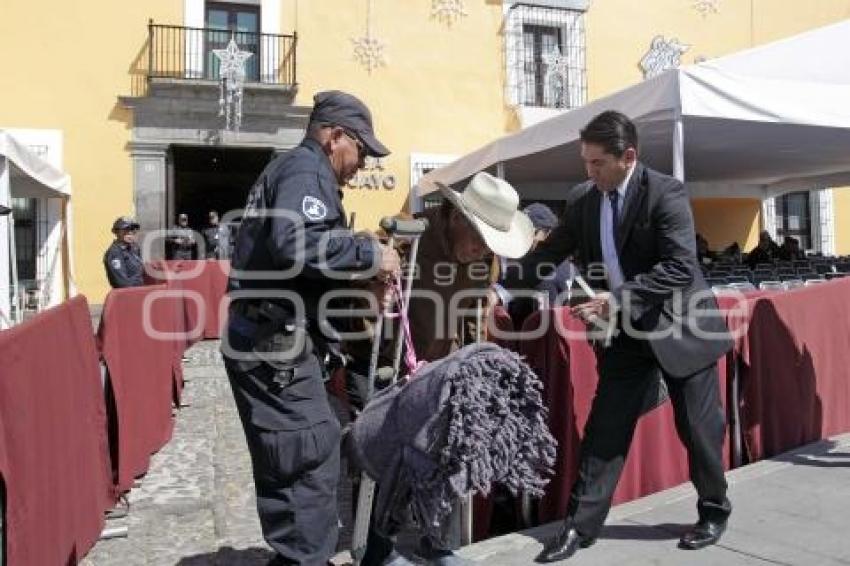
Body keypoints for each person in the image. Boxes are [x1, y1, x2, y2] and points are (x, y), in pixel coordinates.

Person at [500, 111, 733, 562]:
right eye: (585, 162)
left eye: (597, 164)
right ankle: (579, 529)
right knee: (605, 428)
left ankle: (713, 510)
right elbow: (550, 253)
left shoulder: (666, 193)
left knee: (699, 431)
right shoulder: (584, 199)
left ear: (628, 157)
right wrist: (500, 286)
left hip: (681, 327)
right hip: (626, 334)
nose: (589, 172)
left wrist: (617, 299)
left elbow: (682, 266)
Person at [222, 90, 400, 566]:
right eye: (360, 150)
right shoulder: (305, 170)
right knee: (307, 461)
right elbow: (296, 244)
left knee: (303, 459)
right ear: (334, 136)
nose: (362, 163)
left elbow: (300, 267)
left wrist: (359, 284)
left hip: (275, 340)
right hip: (273, 345)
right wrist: (369, 254)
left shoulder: (304, 171)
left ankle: (300, 557)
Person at [354, 172, 535, 566]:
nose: (480, 250)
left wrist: (473, 367)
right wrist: (374, 287)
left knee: (451, 455)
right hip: (392, 363)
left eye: (489, 243)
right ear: (455, 217)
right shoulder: (410, 236)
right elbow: (366, 247)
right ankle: (376, 550)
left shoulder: (484, 258)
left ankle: (436, 542)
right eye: (477, 238)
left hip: (439, 368)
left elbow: (473, 313)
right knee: (384, 460)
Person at [103, 216, 144, 288]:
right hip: (127, 295)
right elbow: (122, 283)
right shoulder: (115, 253)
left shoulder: (133, 249)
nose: (130, 232)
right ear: (116, 232)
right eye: (126, 229)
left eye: (133, 229)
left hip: (138, 292)